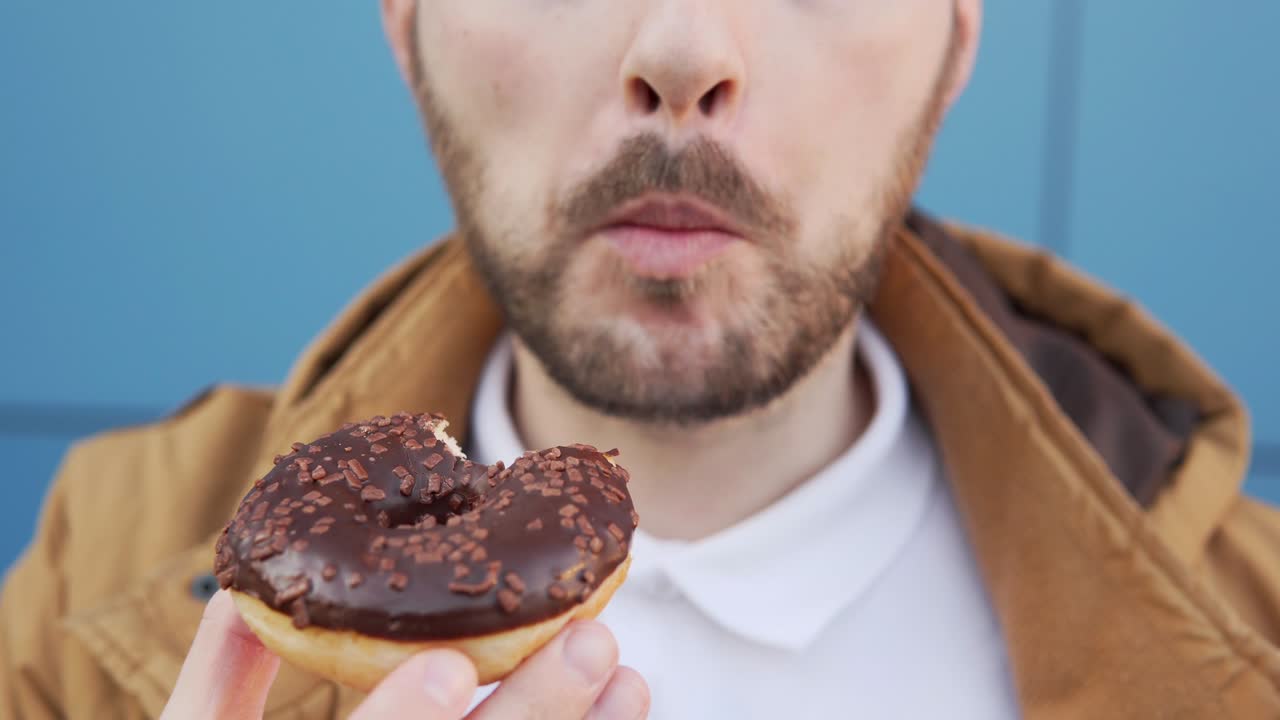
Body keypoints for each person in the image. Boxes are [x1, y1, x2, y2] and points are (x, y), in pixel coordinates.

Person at [4, 0, 1280, 717]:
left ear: (955, 33)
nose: (681, 54)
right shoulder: (93, 583)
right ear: (404, 19)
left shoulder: (1254, 631)